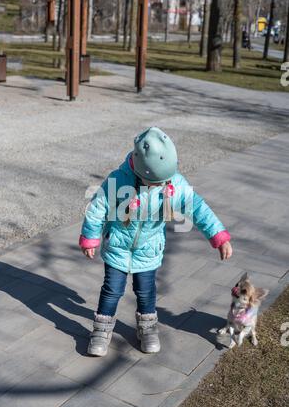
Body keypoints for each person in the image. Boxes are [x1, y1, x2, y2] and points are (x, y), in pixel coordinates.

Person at [79, 127, 232, 357]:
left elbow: (198, 208)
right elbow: (98, 208)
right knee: (112, 290)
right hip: (118, 246)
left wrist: (218, 236)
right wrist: (90, 237)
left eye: (164, 181)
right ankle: (101, 330)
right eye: (154, 182)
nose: (160, 185)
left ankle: (148, 328)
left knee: (146, 291)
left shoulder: (174, 184)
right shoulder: (119, 180)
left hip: (149, 249)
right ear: (140, 172)